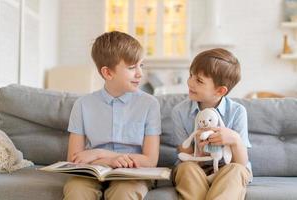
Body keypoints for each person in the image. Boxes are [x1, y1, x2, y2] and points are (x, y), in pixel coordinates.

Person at [63, 31, 161, 200]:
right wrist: (107, 160)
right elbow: (74, 159)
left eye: (141, 65)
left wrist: (98, 153)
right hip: (94, 171)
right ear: (108, 73)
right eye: (132, 67)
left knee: (124, 192)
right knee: (76, 190)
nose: (140, 73)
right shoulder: (82, 105)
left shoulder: (150, 104)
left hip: (132, 173)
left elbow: (150, 160)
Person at [172, 48, 252, 200]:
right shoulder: (180, 112)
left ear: (220, 91)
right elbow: (184, 155)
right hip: (196, 168)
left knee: (236, 170)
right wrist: (199, 151)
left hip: (226, 168)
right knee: (186, 168)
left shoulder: (237, 111)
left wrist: (234, 139)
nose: (190, 82)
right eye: (191, 75)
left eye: (199, 80)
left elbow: (241, 163)